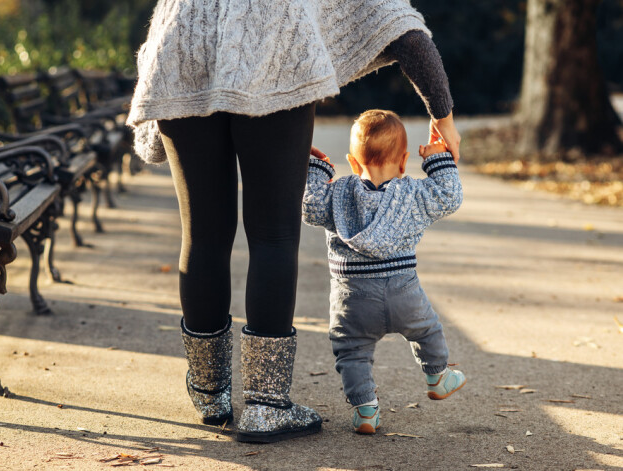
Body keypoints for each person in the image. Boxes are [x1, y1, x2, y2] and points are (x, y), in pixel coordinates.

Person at [127, 0, 461, 443]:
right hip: (276, 54)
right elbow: (400, 26)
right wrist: (444, 119)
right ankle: (266, 407)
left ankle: (210, 394)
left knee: (203, 235)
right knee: (273, 235)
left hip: (181, 50)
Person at [302, 110, 466, 435]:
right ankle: (437, 375)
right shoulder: (414, 196)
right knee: (428, 329)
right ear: (404, 162)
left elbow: (308, 205)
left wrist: (314, 168)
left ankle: (365, 409)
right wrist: (438, 160)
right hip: (404, 295)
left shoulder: (336, 195)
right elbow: (449, 195)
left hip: (353, 301)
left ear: (352, 162)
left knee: (351, 351)